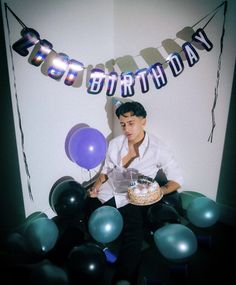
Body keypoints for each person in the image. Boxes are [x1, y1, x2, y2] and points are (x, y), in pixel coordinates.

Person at [87, 101, 184, 285]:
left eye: (131, 123)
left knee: (133, 233)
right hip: (109, 191)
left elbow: (177, 179)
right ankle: (99, 251)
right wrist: (96, 186)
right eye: (123, 124)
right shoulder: (116, 143)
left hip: (134, 196)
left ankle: (124, 278)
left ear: (143, 121)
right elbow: (106, 171)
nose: (126, 128)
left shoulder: (158, 149)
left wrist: (158, 191)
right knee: (87, 212)